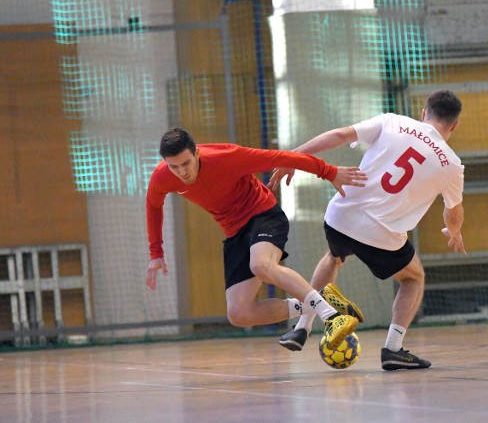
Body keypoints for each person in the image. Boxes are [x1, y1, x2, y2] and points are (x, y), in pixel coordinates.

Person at [269, 90, 466, 370]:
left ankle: (302, 326)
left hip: (340, 216)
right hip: (382, 235)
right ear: (454, 125)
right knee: (413, 278)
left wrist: (293, 157)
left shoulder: (393, 121)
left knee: (333, 257)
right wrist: (453, 230)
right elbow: (453, 212)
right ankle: (393, 349)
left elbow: (338, 135)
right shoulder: (452, 165)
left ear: (424, 113)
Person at [145, 127, 368, 350]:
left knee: (261, 265)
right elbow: (153, 206)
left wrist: (329, 172)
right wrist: (156, 253)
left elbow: (281, 157)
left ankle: (330, 316)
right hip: (234, 232)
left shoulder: (226, 157)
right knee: (239, 314)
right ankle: (325, 303)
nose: (182, 172)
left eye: (186, 163)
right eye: (174, 166)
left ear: (197, 154)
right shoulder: (162, 176)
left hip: (263, 215)